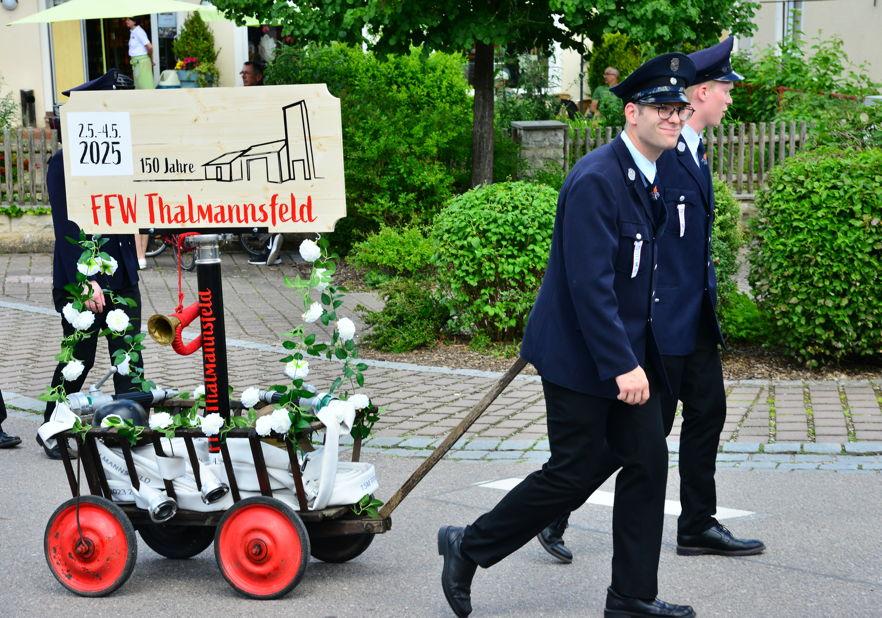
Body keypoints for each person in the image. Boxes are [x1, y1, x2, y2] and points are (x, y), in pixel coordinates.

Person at [438, 53, 697, 618]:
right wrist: (622, 365)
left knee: (647, 463)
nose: (674, 117)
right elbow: (590, 285)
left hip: (627, 350)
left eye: (679, 107)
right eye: (661, 107)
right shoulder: (597, 179)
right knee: (573, 470)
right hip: (581, 356)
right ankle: (468, 545)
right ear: (632, 113)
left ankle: (631, 597)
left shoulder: (654, 172)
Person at [537, 37, 765, 566]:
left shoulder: (693, 151)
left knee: (707, 413)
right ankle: (555, 508)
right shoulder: (652, 155)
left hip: (694, 317)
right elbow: (629, 256)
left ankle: (697, 522)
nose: (730, 99)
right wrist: (629, 343)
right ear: (704, 91)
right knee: (639, 441)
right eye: (726, 89)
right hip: (659, 323)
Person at [38, 70, 144, 460]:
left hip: (122, 272)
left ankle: (129, 426)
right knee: (78, 358)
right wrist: (87, 281)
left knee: (128, 356)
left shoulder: (120, 156)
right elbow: (67, 228)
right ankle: (55, 427)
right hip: (82, 279)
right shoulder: (62, 164)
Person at [238, 60, 284, 266]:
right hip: (250, 156)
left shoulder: (264, 98)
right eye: (242, 73)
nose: (243, 76)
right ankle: (269, 243)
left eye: (247, 73)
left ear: (258, 77)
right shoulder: (243, 97)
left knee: (267, 200)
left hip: (263, 157)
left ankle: (271, 244)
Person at [125, 16, 154, 268]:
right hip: (138, 173)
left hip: (142, 173)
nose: (125, 22)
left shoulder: (140, 32)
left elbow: (149, 47)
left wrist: (151, 61)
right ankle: (140, 256)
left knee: (140, 217)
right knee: (139, 217)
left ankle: (141, 256)